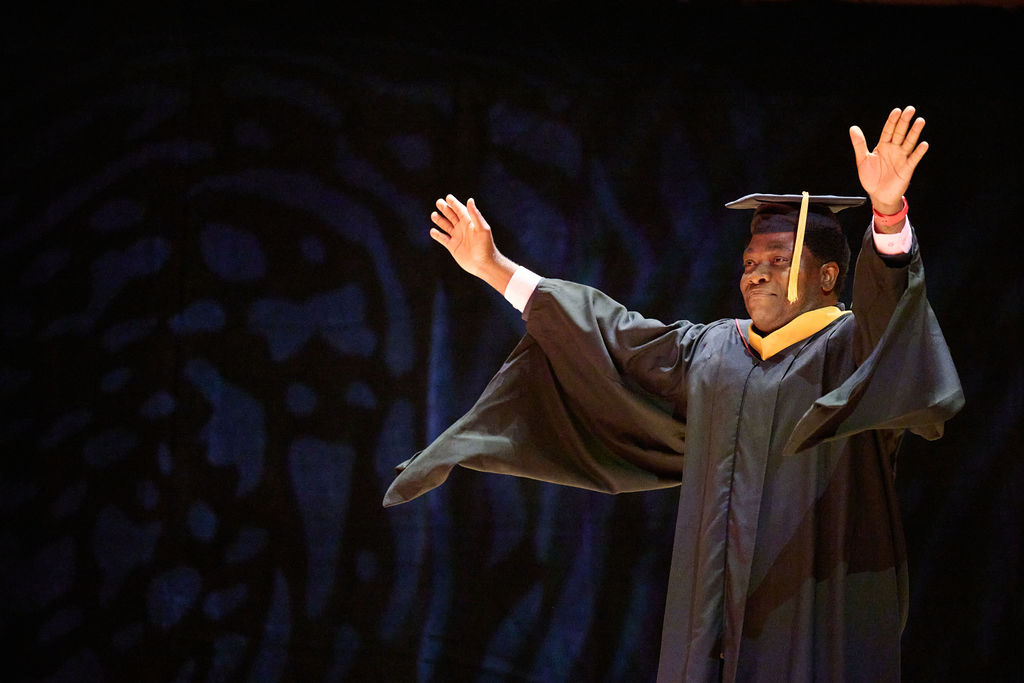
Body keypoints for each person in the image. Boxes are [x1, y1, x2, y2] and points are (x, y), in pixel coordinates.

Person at [383, 107, 964, 682]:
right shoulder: (712, 352)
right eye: (749, 261)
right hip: (709, 618)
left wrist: (887, 216)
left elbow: (893, 317)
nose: (756, 272)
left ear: (829, 277)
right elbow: (604, 331)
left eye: (778, 260)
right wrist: (493, 268)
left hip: (815, 605)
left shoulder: (852, 351)